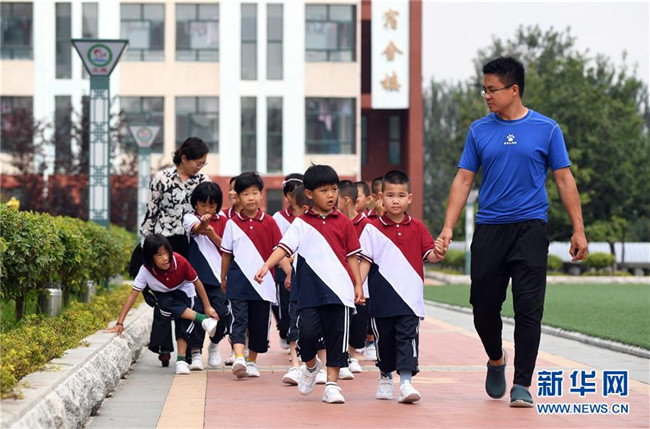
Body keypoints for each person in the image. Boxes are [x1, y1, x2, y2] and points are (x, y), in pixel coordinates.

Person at [434, 57, 588, 408]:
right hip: (490, 228)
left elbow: (564, 179)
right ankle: (496, 358)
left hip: (531, 228)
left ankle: (522, 383)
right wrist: (447, 227)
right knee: (482, 307)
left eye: (492, 89)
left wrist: (578, 229)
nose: (486, 96)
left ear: (514, 89)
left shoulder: (547, 129)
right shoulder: (479, 131)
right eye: (484, 90)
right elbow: (464, 179)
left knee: (529, 308)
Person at [255, 164, 364, 404]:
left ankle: (332, 385)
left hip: (340, 293)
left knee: (337, 338)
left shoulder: (344, 223)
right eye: (324, 190)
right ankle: (312, 366)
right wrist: (266, 266)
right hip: (308, 293)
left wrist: (358, 285)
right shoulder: (301, 223)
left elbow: (352, 256)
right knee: (306, 335)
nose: (330, 195)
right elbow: (284, 248)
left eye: (333, 189)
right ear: (309, 194)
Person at [359, 170, 443, 403]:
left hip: (410, 300)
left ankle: (406, 382)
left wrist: (439, 252)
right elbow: (364, 261)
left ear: (409, 198)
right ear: (381, 198)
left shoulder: (418, 227)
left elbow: (429, 255)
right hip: (381, 300)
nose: (395, 200)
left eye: (401, 195)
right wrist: (357, 287)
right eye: (390, 195)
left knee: (407, 339)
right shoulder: (371, 228)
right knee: (384, 341)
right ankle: (386, 377)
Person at [138, 137, 211, 367]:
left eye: (203, 163)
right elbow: (151, 212)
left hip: (192, 244)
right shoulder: (161, 178)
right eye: (197, 162)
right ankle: (163, 347)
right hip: (164, 243)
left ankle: (190, 348)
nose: (200, 167)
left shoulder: (204, 181)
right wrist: (144, 246)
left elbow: (209, 212)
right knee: (163, 297)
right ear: (184, 158)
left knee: (190, 296)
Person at [107, 234, 218, 375]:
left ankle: (181, 361)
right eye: (159, 255)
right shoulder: (145, 270)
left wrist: (207, 306)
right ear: (150, 257)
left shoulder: (180, 261)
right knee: (164, 304)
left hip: (184, 292)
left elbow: (197, 282)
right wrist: (120, 323)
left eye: (167, 253)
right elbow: (132, 295)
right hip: (164, 297)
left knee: (183, 320)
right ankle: (203, 320)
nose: (165, 258)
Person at [220, 171, 292, 378]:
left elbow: (279, 252)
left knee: (259, 324)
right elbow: (226, 254)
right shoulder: (232, 224)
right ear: (237, 197)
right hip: (238, 283)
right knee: (238, 320)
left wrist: (289, 273)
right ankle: (239, 357)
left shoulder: (270, 222)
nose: (250, 198)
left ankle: (252, 361)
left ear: (261, 194)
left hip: (263, 285)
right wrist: (223, 278)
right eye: (245, 194)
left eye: (254, 193)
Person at [183, 182, 230, 368]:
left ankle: (215, 344)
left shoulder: (225, 221)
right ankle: (195, 354)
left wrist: (212, 235)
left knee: (221, 314)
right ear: (196, 203)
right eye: (203, 205)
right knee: (197, 314)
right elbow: (196, 229)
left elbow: (227, 247)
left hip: (218, 277)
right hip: (195, 278)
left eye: (212, 205)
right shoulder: (189, 218)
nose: (208, 209)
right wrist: (204, 223)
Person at [336, 180, 370, 379]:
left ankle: (352, 355)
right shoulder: (336, 222)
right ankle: (341, 359)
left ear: (346, 200)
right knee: (340, 321)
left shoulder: (366, 225)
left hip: (361, 283)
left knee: (358, 323)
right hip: (339, 281)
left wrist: (358, 283)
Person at [272, 173, 304, 351]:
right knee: (283, 304)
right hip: (283, 267)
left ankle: (297, 336)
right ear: (286, 196)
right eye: (291, 194)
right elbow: (279, 245)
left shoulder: (309, 217)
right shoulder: (279, 217)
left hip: (303, 267)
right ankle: (285, 331)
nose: (295, 197)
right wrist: (287, 269)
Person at [354, 180, 377, 361]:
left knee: (366, 315)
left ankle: (370, 341)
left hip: (366, 280)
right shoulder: (342, 222)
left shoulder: (368, 224)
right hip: (351, 279)